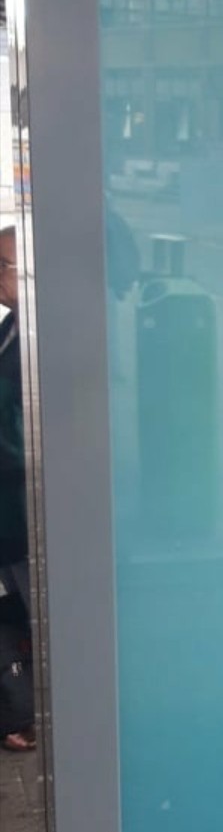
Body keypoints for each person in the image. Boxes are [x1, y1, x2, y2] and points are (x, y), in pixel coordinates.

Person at [0, 220, 34, 752]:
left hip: (22, 504)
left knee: (31, 608)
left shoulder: (33, 337)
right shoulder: (12, 326)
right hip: (9, 504)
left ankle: (26, 711)